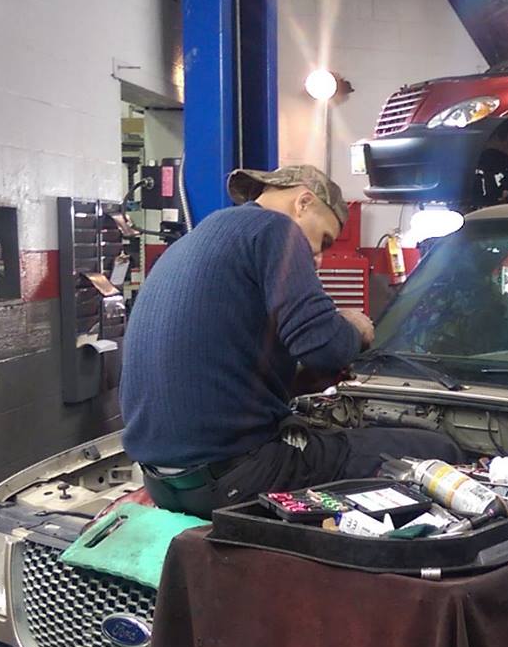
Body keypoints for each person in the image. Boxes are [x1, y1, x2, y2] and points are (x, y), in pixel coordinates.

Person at [122, 164, 461, 516]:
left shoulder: (200, 238)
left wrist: (300, 383)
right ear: (303, 203)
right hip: (238, 476)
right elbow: (325, 346)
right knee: (436, 449)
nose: (319, 257)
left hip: (165, 484)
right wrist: (354, 327)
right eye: (324, 240)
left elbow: (217, 375)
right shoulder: (276, 229)